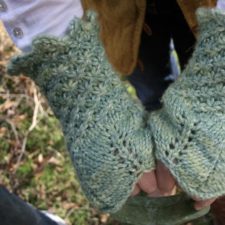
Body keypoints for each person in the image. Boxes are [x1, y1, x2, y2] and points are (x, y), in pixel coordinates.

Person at [1, 0, 225, 223]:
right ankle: (158, 117)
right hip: (120, 15)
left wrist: (218, 83)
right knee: (151, 83)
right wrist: (81, 88)